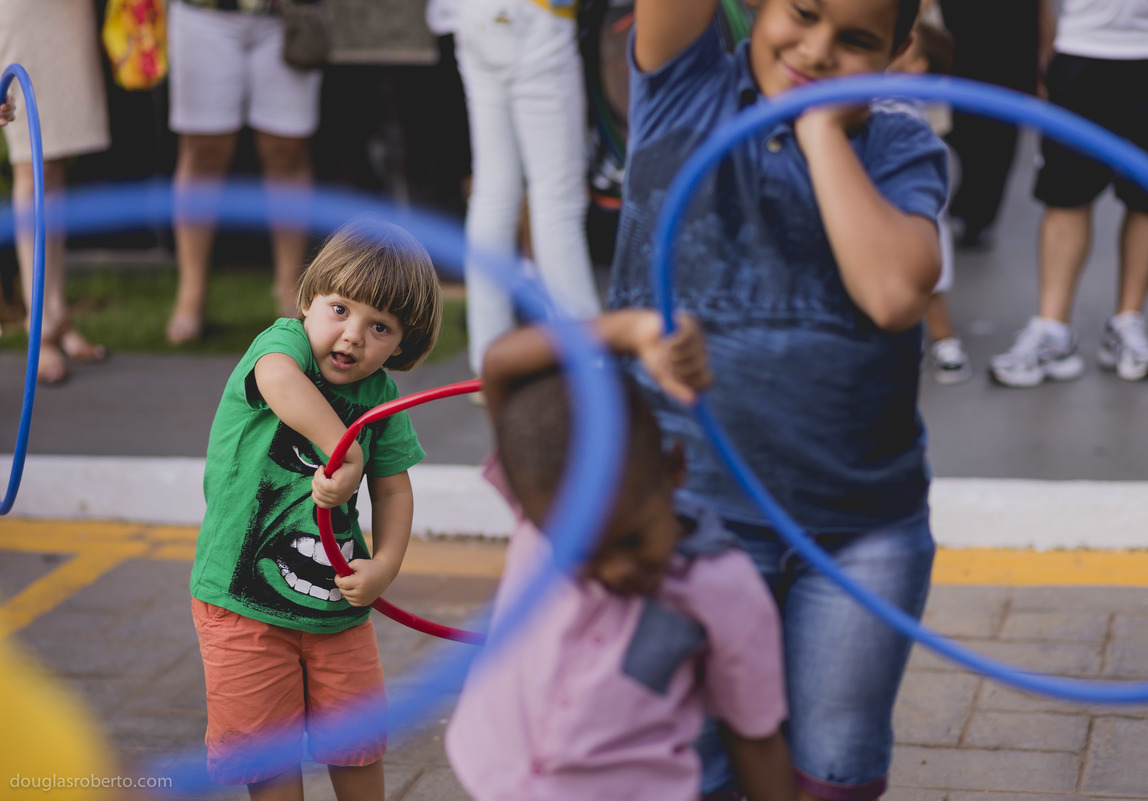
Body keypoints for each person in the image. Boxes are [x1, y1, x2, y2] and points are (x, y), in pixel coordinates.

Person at [607, 0, 945, 798]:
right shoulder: (687, 88)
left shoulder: (899, 143)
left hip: (860, 530)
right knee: (697, 766)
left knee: (835, 765)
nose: (819, 47)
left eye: (856, 40)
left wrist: (819, 128)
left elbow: (895, 292)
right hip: (690, 517)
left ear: (896, 55)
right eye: (803, 13)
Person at [446, 309, 800, 801]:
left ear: (674, 467)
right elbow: (503, 364)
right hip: (492, 774)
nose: (616, 569)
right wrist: (627, 332)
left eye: (634, 539)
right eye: (582, 553)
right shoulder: (543, 512)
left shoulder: (723, 588)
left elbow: (755, 736)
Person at [189, 219, 442, 800]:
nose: (352, 336)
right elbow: (277, 380)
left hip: (335, 611)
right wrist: (341, 449)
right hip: (242, 602)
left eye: (379, 327)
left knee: (356, 744)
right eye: (339, 309)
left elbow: (394, 490)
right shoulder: (283, 347)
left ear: (400, 344)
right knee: (267, 752)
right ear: (307, 301)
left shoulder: (380, 397)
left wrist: (385, 566)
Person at [989, 0, 1148, 387]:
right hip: (1084, 45)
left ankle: (1127, 323)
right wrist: (1045, 46)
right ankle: (1053, 329)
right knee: (1065, 193)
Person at [454, 0, 602, 378]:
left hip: (474, 14)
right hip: (537, 16)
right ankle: (590, 364)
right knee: (557, 201)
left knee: (493, 191)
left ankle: (488, 363)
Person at [166, 0, 324, 344]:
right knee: (203, 149)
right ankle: (192, 292)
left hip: (289, 12)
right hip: (204, 11)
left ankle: (289, 289)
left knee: (288, 148)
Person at [0, 1, 110, 383]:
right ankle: (38, 324)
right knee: (31, 164)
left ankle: (57, 311)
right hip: (21, 10)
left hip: (68, 10)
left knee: (56, 162)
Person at [890, 11, 971, 384]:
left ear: (916, 64)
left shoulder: (904, 105)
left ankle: (945, 341)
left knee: (926, 276)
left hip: (913, 200)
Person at [938, 0, 1046, 249]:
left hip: (1010, 24)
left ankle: (978, 214)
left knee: (1000, 124)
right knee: (959, 117)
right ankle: (972, 207)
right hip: (962, 24)